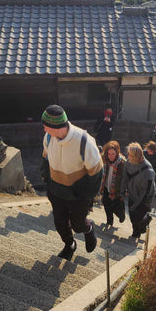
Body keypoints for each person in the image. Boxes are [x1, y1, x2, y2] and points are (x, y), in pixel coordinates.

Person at [41, 104, 103, 260]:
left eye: (46, 126)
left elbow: (96, 172)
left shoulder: (84, 142)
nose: (44, 130)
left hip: (77, 195)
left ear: (58, 126)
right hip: (56, 192)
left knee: (78, 224)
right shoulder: (49, 137)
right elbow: (45, 159)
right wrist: (47, 180)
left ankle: (88, 229)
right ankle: (70, 245)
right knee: (60, 223)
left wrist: (85, 195)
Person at [121, 142, 156, 239]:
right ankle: (138, 228)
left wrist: (136, 205)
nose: (127, 156)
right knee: (132, 217)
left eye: (130, 154)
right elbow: (125, 177)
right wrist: (122, 192)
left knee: (138, 218)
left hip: (145, 199)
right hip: (132, 194)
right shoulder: (129, 162)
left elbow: (146, 192)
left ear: (136, 156)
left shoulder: (148, 171)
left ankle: (137, 233)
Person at [100, 141, 126, 226]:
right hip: (107, 187)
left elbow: (124, 179)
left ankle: (121, 215)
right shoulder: (105, 161)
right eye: (109, 154)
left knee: (116, 208)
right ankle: (109, 222)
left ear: (117, 153)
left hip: (116, 190)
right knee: (106, 204)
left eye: (113, 154)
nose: (110, 156)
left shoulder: (121, 163)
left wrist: (122, 192)